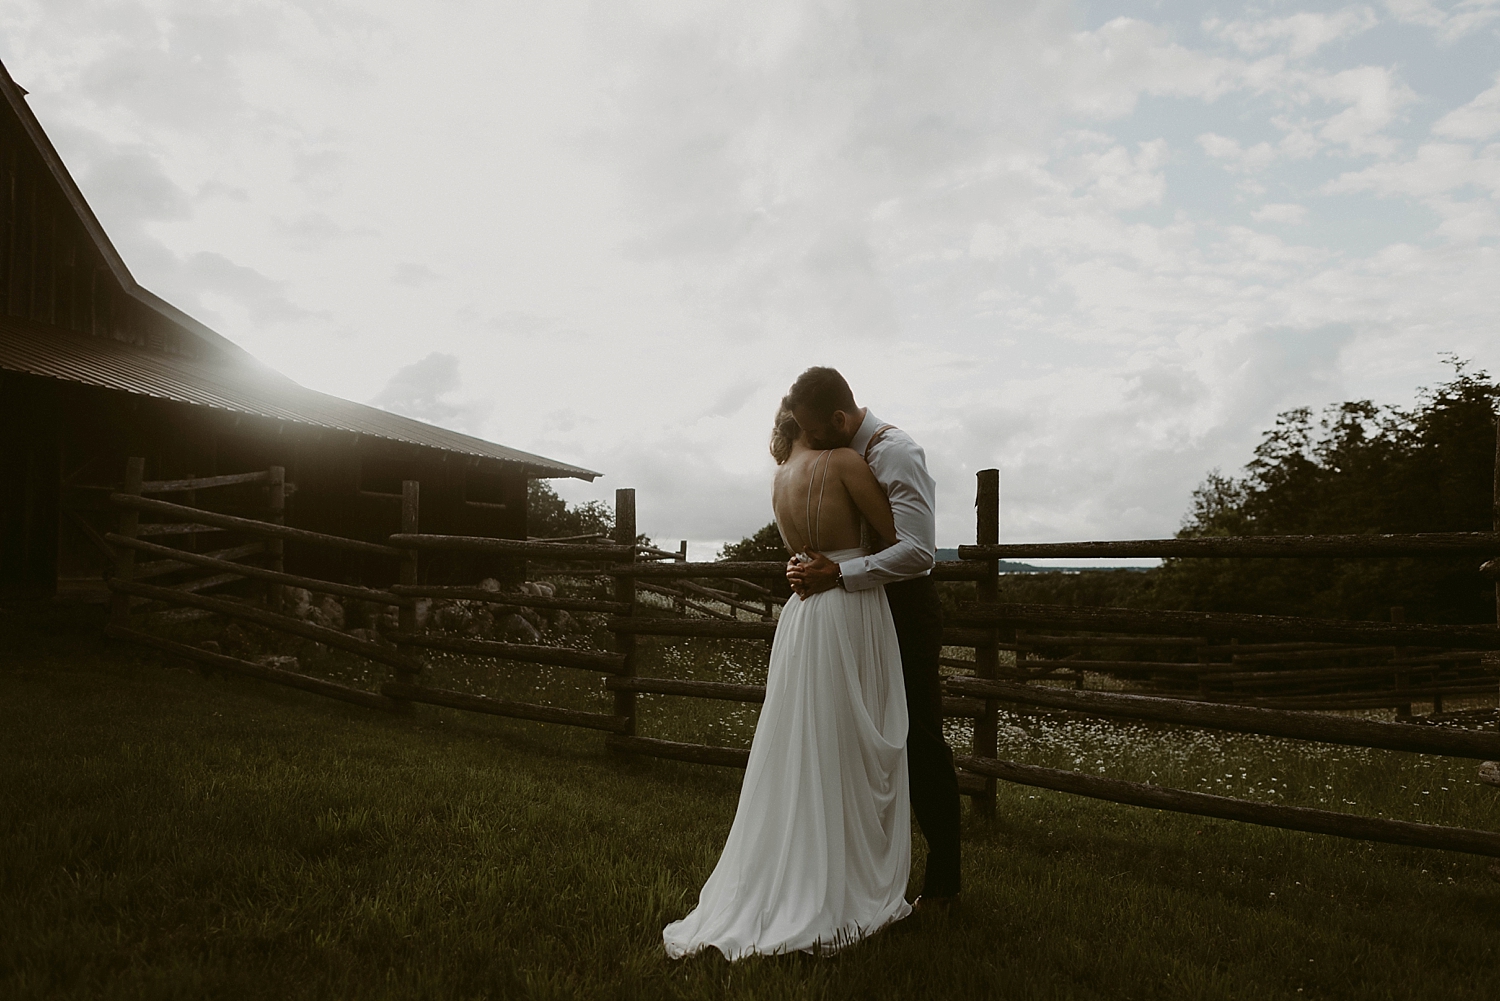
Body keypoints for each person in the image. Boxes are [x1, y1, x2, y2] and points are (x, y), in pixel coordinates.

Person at [663, 400, 913, 959]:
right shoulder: (845, 463)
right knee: (849, 738)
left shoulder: (779, 480)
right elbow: (898, 537)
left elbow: (798, 550)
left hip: (801, 615)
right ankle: (841, 877)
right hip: (849, 605)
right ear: (815, 421)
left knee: (808, 742)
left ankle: (800, 860)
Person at [782, 366, 961, 914]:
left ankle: (944, 881)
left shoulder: (894, 453)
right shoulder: (840, 457)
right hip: (856, 613)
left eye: (815, 432)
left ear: (839, 418)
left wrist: (837, 574)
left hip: (904, 612)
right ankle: (864, 869)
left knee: (918, 738)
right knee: (860, 737)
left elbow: (918, 553)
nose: (810, 444)